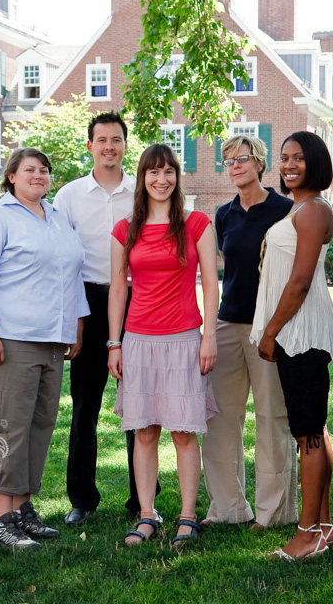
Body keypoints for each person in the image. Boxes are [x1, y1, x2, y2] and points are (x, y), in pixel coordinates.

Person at [0, 147, 89, 550]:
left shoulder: (56, 218)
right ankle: (1, 517)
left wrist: (76, 326)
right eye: (29, 169)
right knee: (6, 423)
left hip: (52, 339)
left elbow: (72, 274)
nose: (39, 175)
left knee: (39, 424)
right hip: (7, 339)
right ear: (11, 176)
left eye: (45, 170)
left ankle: (24, 508)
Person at [107, 143, 218, 549]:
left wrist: (209, 338)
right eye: (153, 172)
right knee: (145, 432)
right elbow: (118, 289)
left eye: (169, 171)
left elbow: (210, 282)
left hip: (184, 339)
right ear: (142, 178)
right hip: (137, 340)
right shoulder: (125, 229)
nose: (161, 179)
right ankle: (148, 514)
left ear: (177, 177)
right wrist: (113, 343)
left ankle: (188, 515)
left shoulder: (197, 224)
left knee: (185, 432)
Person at [52, 112, 156, 525]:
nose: (109, 146)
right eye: (102, 140)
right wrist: (72, 317)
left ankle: (141, 498)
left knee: (139, 403)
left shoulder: (142, 193)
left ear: (126, 146)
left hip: (138, 300)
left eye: (116, 139)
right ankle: (81, 498)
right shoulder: (70, 195)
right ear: (90, 145)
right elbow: (62, 261)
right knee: (85, 406)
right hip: (88, 302)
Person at [251, 131, 333, 561]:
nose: (288, 165)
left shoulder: (312, 212)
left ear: (316, 163)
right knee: (313, 429)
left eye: (299, 158)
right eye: (284, 158)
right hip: (296, 333)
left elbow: (302, 281)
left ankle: (307, 533)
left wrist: (271, 331)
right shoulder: (299, 209)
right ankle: (324, 527)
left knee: (306, 432)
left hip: (301, 334)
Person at [202, 133, 297, 532]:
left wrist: (275, 327)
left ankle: (273, 512)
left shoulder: (285, 210)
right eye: (229, 161)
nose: (236, 166)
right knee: (221, 419)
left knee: (271, 416)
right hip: (227, 323)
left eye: (243, 158)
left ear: (260, 163)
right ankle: (228, 507)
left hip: (269, 327)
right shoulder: (224, 214)